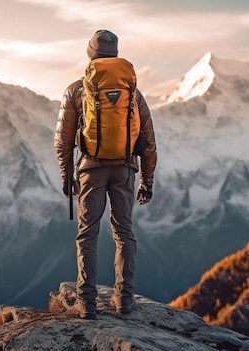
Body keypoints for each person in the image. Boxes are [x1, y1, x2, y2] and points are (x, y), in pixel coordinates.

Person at [54, 29, 157, 320]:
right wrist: (147, 182)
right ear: (115, 56)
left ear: (90, 55)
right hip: (125, 170)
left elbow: (62, 140)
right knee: (123, 233)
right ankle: (124, 300)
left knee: (87, 233)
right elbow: (148, 143)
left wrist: (66, 177)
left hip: (90, 170)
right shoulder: (133, 95)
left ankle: (86, 303)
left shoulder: (77, 90)